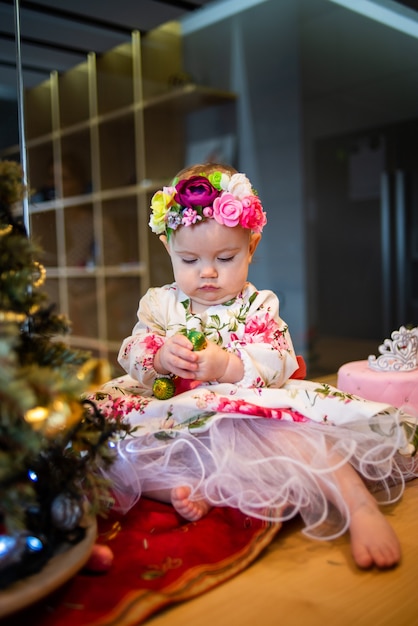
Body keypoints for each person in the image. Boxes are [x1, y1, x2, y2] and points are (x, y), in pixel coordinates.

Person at [89, 162, 417, 570]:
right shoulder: (160, 303)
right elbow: (132, 349)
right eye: (188, 259)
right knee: (111, 442)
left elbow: (279, 358)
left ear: (251, 248)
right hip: (172, 411)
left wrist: (227, 365)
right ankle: (190, 486)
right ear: (168, 249)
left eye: (225, 257)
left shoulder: (257, 305)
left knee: (297, 438)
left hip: (241, 411)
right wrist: (156, 357)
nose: (207, 272)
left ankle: (357, 505)